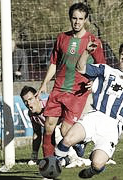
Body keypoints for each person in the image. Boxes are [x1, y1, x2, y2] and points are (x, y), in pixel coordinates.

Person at [54, 40, 123, 179]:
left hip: (111, 127)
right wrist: (86, 52)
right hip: (95, 116)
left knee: (97, 163)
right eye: (122, 53)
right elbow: (80, 68)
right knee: (67, 139)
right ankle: (54, 167)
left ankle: (92, 170)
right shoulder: (106, 70)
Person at [36, 2, 105, 158]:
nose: (77, 22)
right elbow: (54, 62)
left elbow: (102, 67)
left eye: (80, 19)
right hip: (59, 88)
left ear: (86, 19)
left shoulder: (93, 41)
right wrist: (44, 83)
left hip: (77, 92)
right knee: (48, 127)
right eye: (74, 18)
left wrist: (94, 82)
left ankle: (81, 141)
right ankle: (49, 163)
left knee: (65, 131)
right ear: (70, 18)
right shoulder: (62, 38)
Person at [20, 86, 90, 167]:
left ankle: (74, 157)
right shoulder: (32, 114)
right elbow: (37, 133)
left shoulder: (49, 104)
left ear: (37, 97)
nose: (28, 104)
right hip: (63, 136)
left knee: (55, 130)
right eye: (25, 101)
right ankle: (77, 151)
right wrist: (34, 155)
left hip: (73, 125)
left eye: (30, 99)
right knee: (58, 159)